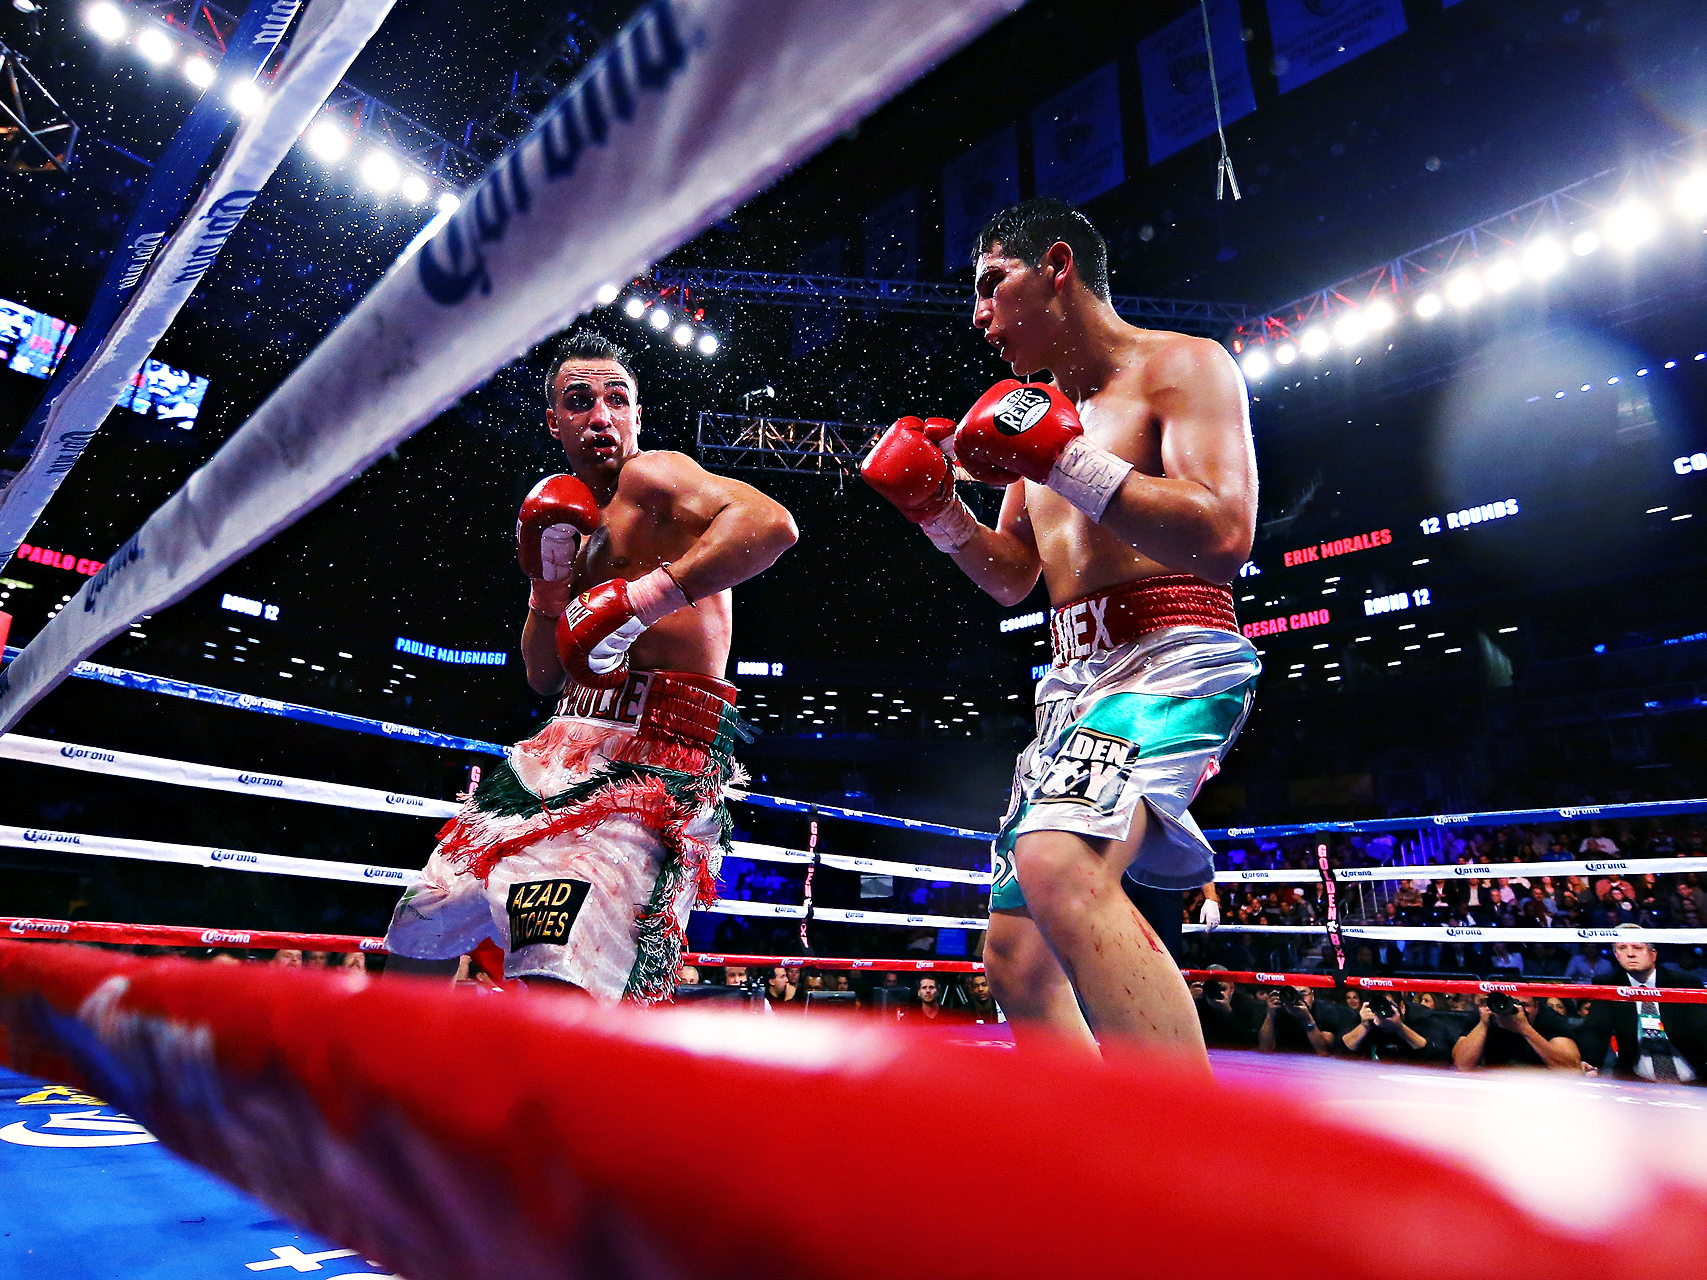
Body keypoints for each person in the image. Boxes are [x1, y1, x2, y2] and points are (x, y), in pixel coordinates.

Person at [862, 198, 1258, 1067]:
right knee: (1014, 956)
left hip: (1171, 656)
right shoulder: (1035, 411)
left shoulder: (1183, 367)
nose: (978, 316)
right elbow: (1012, 575)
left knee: (1061, 865)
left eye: (991, 284)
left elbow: (1225, 536)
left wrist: (1062, 457)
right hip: (1072, 686)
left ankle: (1190, 1165)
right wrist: (938, 512)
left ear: (1057, 266)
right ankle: (1098, 1159)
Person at [384, 329, 798, 1002]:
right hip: (563, 742)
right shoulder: (564, 517)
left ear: (637, 415)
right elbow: (543, 677)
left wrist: (643, 597)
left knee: (556, 951)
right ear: (555, 421)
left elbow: (772, 525)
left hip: (655, 752)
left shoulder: (654, 476)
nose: (600, 416)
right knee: (424, 913)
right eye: (579, 402)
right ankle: (395, 1068)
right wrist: (549, 589)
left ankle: (572, 1095)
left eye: (616, 399)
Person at [1573, 928, 1707, 1084]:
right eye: (1622, 948)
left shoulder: (1684, 983)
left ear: (1653, 954)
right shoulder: (1608, 984)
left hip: (1694, 1078)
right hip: (1638, 1081)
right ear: (1616, 955)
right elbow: (1596, 1027)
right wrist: (1590, 1062)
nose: (1630, 954)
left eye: (1637, 948)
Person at [1450, 993, 1580, 1071]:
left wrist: (1525, 1029)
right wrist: (1483, 1024)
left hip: (1543, 1086)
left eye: (1525, 1005)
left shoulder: (1550, 1019)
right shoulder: (1487, 1015)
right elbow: (1462, 1064)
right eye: (1512, 1004)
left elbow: (1571, 1068)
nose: (1519, 1010)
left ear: (1537, 1006)